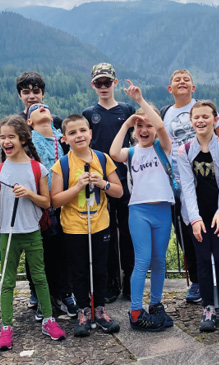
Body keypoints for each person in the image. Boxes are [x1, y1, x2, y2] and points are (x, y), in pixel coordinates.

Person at [0, 115, 66, 350]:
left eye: (11, 137)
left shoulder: (37, 168)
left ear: (23, 139)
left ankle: (49, 320)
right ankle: (6, 327)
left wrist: (28, 194)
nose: (5, 141)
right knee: (7, 282)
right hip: (8, 233)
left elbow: (46, 203)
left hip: (32, 232)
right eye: (2, 138)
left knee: (40, 277)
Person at [51, 114, 124, 337]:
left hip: (100, 224)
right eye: (72, 133)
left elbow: (119, 191)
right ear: (64, 139)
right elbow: (55, 201)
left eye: (82, 131)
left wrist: (102, 183)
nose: (78, 136)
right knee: (79, 271)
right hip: (73, 227)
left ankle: (99, 309)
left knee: (100, 269)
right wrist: (76, 187)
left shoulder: (102, 159)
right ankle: (84, 309)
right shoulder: (61, 165)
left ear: (90, 133)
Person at [109, 81, 174, 331]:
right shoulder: (132, 152)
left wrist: (141, 102)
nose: (145, 129)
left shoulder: (163, 147)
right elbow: (114, 153)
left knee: (159, 261)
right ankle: (136, 311)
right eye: (140, 126)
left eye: (148, 125)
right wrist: (127, 122)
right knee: (143, 260)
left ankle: (156, 304)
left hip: (162, 210)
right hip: (139, 211)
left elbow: (160, 124)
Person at [161, 69, 219, 304]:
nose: (181, 82)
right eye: (176, 80)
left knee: (216, 232)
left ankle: (218, 282)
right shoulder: (165, 113)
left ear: (193, 87)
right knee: (187, 234)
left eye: (186, 79)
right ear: (170, 89)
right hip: (178, 183)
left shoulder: (204, 109)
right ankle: (198, 282)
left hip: (210, 182)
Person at [177, 100, 219, 332]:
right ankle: (208, 307)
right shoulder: (185, 150)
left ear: (214, 119)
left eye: (205, 116)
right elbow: (187, 188)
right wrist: (194, 219)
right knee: (202, 260)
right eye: (196, 117)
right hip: (196, 213)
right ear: (191, 122)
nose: (200, 121)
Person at [82, 63, 135, 303]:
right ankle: (111, 282)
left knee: (127, 232)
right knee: (106, 235)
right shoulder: (87, 113)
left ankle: (130, 282)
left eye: (107, 82)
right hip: (99, 181)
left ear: (115, 83)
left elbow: (136, 142)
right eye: (98, 83)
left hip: (124, 181)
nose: (103, 87)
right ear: (93, 85)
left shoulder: (126, 109)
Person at [27, 103, 78, 320]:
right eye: (35, 109)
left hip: (65, 202)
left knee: (65, 252)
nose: (41, 107)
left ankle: (66, 293)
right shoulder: (28, 144)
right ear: (29, 122)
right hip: (39, 205)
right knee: (43, 254)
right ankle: (44, 297)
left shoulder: (64, 139)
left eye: (44, 106)